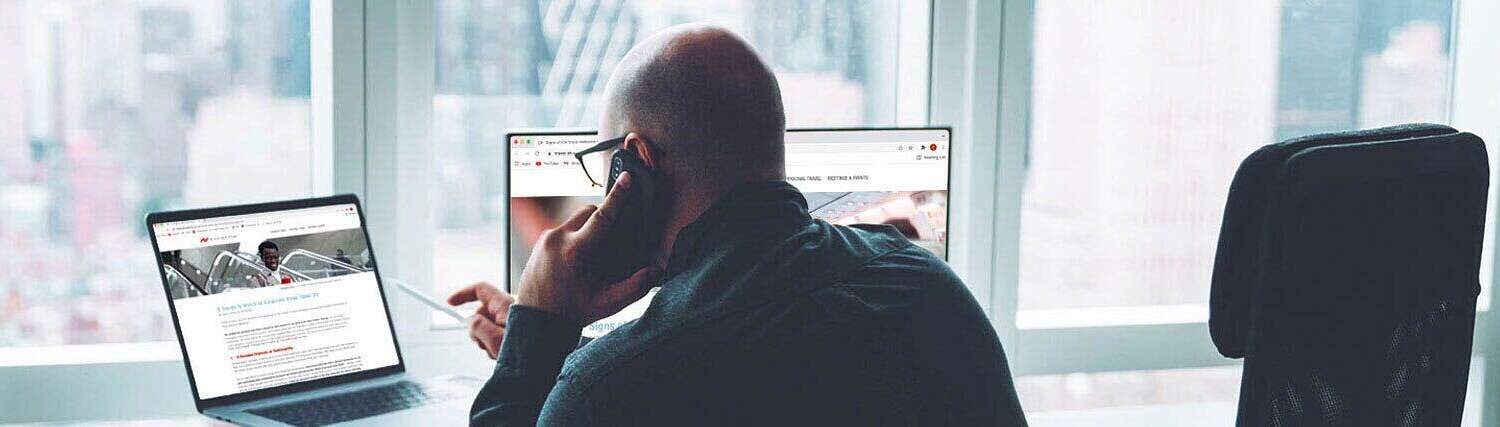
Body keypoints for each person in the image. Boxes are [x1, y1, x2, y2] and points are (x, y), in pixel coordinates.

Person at [447, 24, 1027, 425]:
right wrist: (547, 353)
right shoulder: (930, 289)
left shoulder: (613, 387)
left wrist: (540, 333)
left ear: (634, 164)